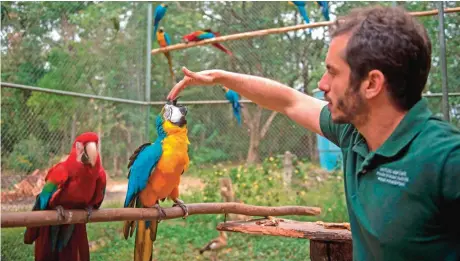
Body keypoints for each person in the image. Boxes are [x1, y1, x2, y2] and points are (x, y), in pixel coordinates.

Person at [167, 5, 460, 261]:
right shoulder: (353, 132)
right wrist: (219, 76)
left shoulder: (446, 160)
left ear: (371, 84)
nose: (322, 84)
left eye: (332, 72)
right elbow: (288, 100)